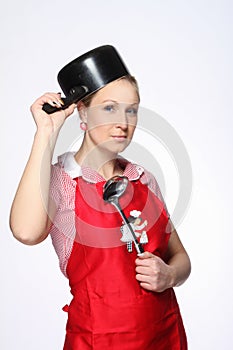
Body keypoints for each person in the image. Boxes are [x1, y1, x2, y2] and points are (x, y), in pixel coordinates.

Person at [10, 50, 191, 349]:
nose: (123, 121)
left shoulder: (142, 177)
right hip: (98, 341)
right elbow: (26, 232)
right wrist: (46, 132)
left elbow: (181, 258)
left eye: (131, 110)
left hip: (164, 335)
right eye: (109, 108)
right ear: (82, 112)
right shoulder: (61, 180)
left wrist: (170, 274)